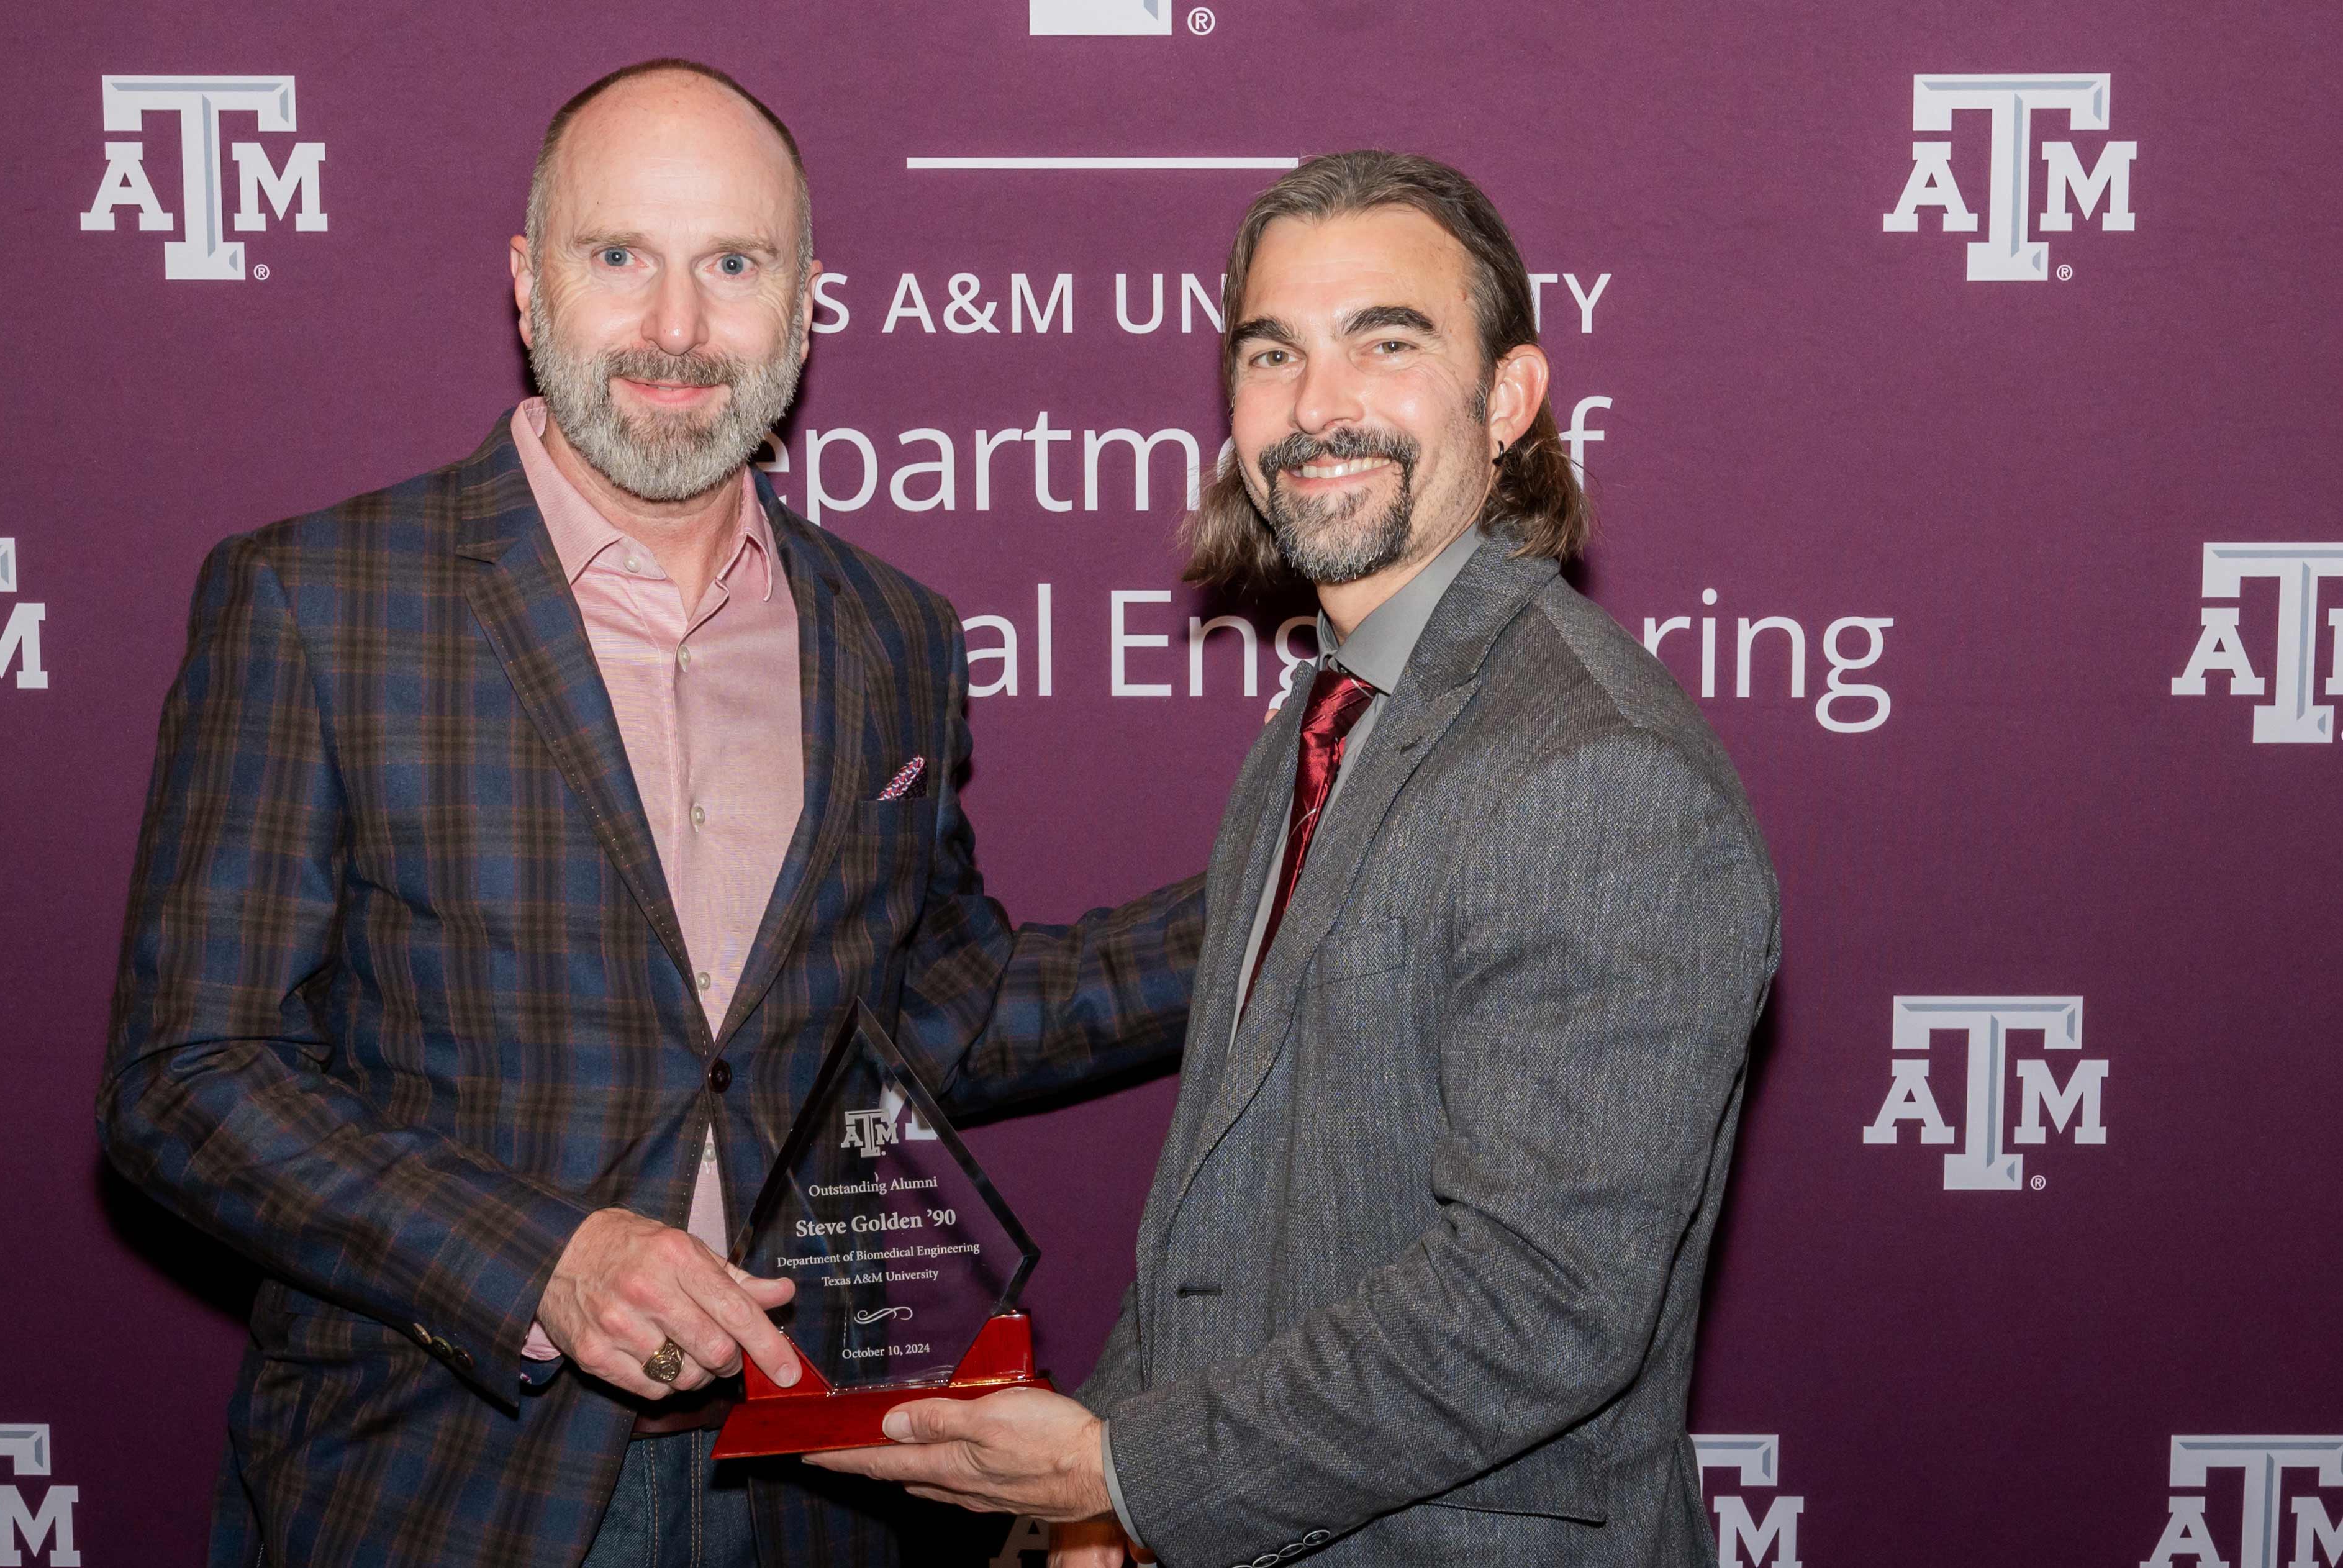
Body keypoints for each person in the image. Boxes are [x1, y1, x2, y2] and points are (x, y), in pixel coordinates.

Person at [98, 58, 1203, 1568]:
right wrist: (540, 1262)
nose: (675, 329)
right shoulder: (315, 601)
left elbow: (935, 1006)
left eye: (731, 265)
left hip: (818, 1488)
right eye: (619, 257)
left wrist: (1277, 902)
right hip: (443, 1483)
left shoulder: (891, 638)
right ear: (525, 283)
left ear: (807, 302)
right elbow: (188, 1079)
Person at [808, 150, 1782, 1568]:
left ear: (1506, 399)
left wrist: (1129, 1471)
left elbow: (1540, 1301)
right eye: (1273, 354)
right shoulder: (1332, 716)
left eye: (1383, 344)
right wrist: (1105, 1503)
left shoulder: (1596, 775)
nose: (1316, 408)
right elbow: (1224, 1202)